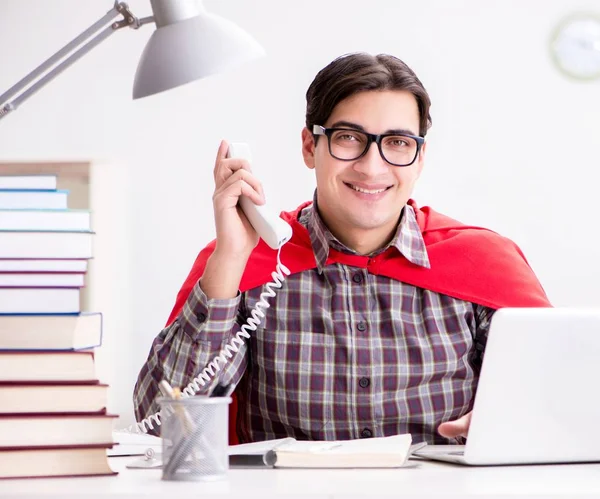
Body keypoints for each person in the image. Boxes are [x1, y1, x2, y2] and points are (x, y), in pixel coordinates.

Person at [133, 52, 550, 445]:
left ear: (420, 158)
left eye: (399, 143)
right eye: (349, 138)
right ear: (310, 147)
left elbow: (564, 399)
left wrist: (517, 421)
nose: (372, 166)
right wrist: (228, 262)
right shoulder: (245, 262)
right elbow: (161, 426)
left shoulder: (483, 262)